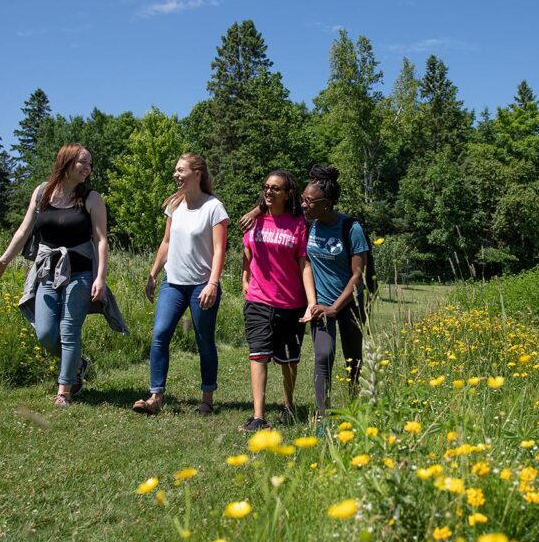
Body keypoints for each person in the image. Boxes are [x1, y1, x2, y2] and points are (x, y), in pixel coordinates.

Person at [0, 143, 128, 407]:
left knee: (69, 330)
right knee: (46, 333)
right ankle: (78, 364)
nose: (87, 168)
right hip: (47, 272)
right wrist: (5, 259)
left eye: (90, 164)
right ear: (66, 162)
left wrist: (101, 278)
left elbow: (101, 241)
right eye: (82, 162)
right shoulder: (42, 192)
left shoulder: (92, 198)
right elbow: (24, 230)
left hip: (81, 273)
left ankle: (64, 390)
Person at [133, 153, 229, 416]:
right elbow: (166, 243)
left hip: (202, 285)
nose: (176, 175)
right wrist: (153, 273)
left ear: (197, 174)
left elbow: (220, 250)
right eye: (175, 171)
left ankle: (207, 398)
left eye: (181, 170)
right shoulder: (174, 206)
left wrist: (213, 282)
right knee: (160, 334)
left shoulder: (214, 207)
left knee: (204, 340)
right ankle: (155, 397)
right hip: (173, 283)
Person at [238, 170, 315, 432]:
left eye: (276, 188)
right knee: (258, 355)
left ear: (288, 193)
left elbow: (304, 264)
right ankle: (258, 415)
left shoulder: (298, 224)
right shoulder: (254, 222)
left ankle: (288, 405)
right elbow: (247, 251)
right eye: (266, 187)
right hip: (259, 300)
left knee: (288, 360)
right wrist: (245, 276)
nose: (269, 192)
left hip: (291, 303)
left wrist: (310, 301)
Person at [299, 165, 369, 421]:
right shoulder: (309, 225)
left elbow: (357, 276)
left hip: (350, 304)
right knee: (323, 355)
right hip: (320, 304)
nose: (303, 205)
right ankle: (322, 415)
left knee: (353, 359)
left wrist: (335, 308)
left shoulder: (351, 228)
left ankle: (354, 408)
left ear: (326, 204)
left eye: (309, 201)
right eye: (302, 200)